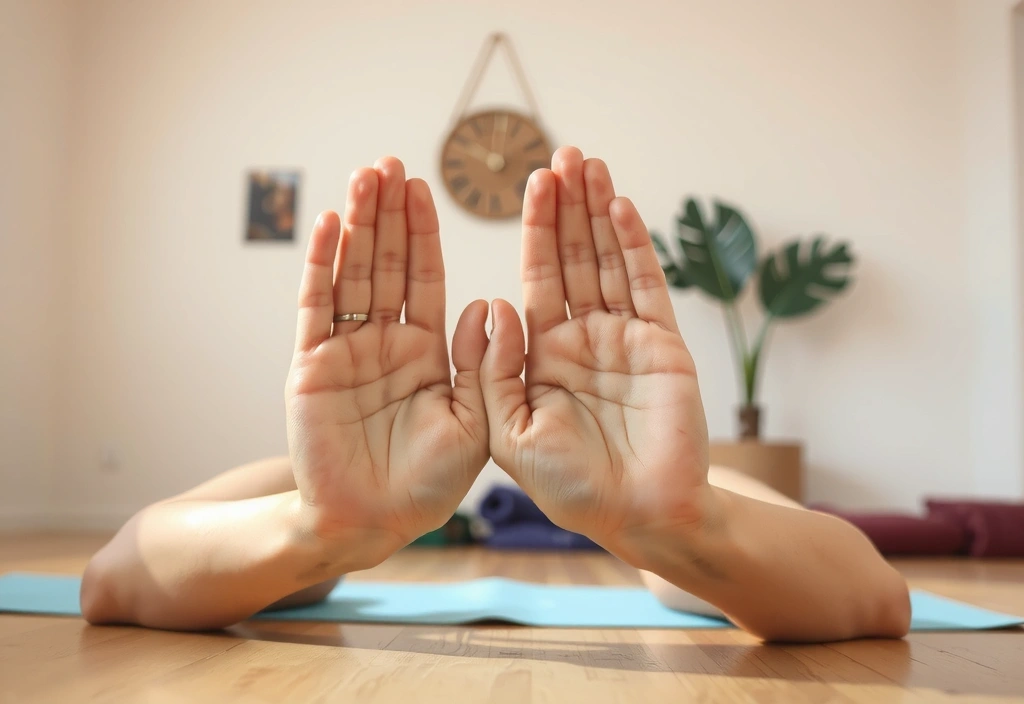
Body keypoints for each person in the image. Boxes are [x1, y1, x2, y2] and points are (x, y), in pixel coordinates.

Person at [79, 147, 911, 642]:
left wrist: (677, 527)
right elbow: (111, 582)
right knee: (289, 521)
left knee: (679, 562)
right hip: (318, 511)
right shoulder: (300, 486)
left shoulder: (686, 501)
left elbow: (879, 597)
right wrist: (320, 527)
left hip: (681, 519)